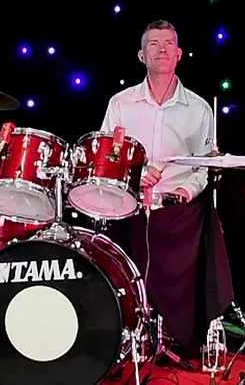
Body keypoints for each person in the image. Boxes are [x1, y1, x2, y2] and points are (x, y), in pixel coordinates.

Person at [100, 20, 235, 358]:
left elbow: (205, 165)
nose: (161, 49)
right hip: (133, 210)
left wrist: (186, 191)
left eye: (168, 44)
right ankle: (130, 339)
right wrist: (134, 175)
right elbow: (108, 155)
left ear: (179, 54)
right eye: (153, 44)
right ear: (141, 55)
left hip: (180, 212)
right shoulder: (120, 103)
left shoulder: (199, 108)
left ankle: (181, 337)